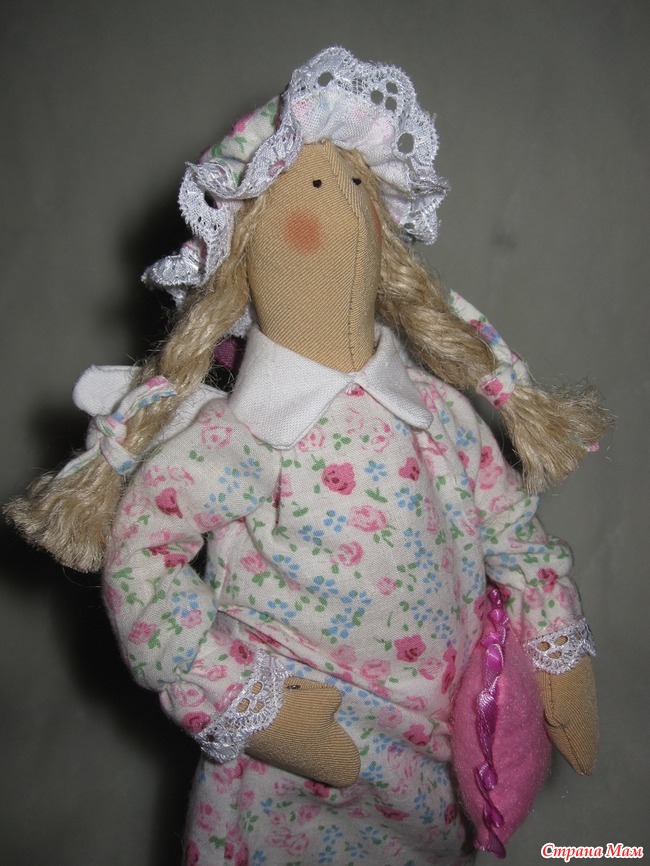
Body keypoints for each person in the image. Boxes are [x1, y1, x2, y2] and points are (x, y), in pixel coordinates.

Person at [7, 48, 609, 865]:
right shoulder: (238, 441)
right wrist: (246, 703)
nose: (348, 211)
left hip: (442, 755)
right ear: (246, 249)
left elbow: (510, 526)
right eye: (318, 187)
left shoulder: (438, 414)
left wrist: (554, 639)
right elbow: (142, 559)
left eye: (358, 185)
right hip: (293, 776)